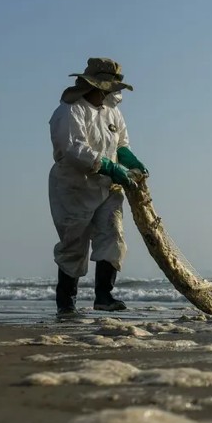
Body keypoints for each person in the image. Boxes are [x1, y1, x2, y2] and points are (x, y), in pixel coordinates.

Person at [48, 57, 149, 317]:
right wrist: (109, 166)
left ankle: (104, 296)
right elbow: (73, 149)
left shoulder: (113, 112)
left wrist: (129, 161)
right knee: (74, 244)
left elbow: (121, 144)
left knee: (113, 236)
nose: (110, 92)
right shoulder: (70, 111)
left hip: (108, 187)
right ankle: (66, 302)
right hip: (74, 187)